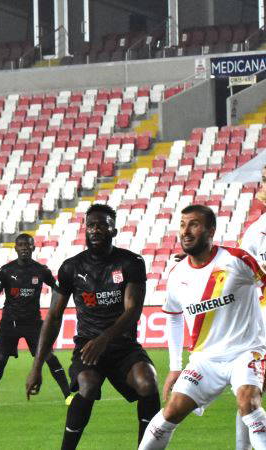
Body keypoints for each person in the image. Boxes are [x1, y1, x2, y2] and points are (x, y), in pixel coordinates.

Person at [25, 203, 159, 449]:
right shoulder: (71, 267)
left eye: (102, 225)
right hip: (87, 347)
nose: (95, 230)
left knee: (147, 381)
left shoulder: (131, 262)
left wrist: (104, 339)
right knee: (87, 384)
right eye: (91, 225)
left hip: (123, 346)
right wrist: (37, 367)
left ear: (113, 231)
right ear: (85, 230)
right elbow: (53, 317)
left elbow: (133, 311)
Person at [138, 205, 266, 449]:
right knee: (170, 413)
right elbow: (174, 317)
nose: (186, 231)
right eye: (183, 225)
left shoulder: (237, 260)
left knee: (248, 403)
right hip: (205, 360)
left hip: (246, 352)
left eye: (194, 224)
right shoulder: (177, 274)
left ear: (211, 231)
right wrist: (175, 367)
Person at [0, 233, 70, 409]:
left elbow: (57, 288)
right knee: (0, 359)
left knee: (49, 356)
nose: (24, 248)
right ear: (15, 248)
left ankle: (68, 396)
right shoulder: (6, 271)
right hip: (9, 323)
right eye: (20, 245)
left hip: (33, 323)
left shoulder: (41, 270)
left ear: (33, 248)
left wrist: (56, 309)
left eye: (27, 245)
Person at [237, 165, 266, 450]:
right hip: (263, 327)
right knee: (249, 393)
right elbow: (238, 273)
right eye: (265, 179)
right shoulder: (256, 232)